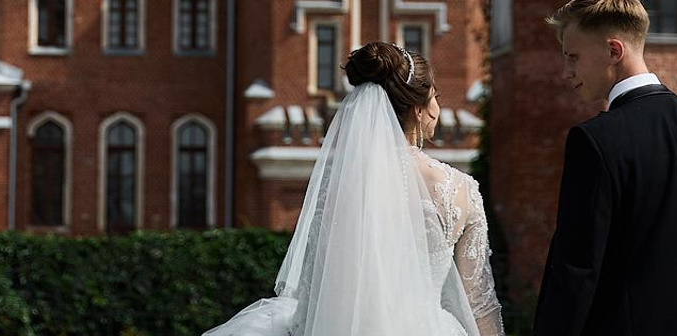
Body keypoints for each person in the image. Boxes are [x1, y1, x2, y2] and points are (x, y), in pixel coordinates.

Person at [202, 41, 504, 336]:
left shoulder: (340, 186)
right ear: (419, 108)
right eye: (436, 97)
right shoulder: (460, 190)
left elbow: (314, 293)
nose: (438, 108)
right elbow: (478, 301)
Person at [533, 0, 677, 336]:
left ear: (613, 51)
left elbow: (577, 266)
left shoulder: (596, 139)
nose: (567, 71)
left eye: (573, 57)